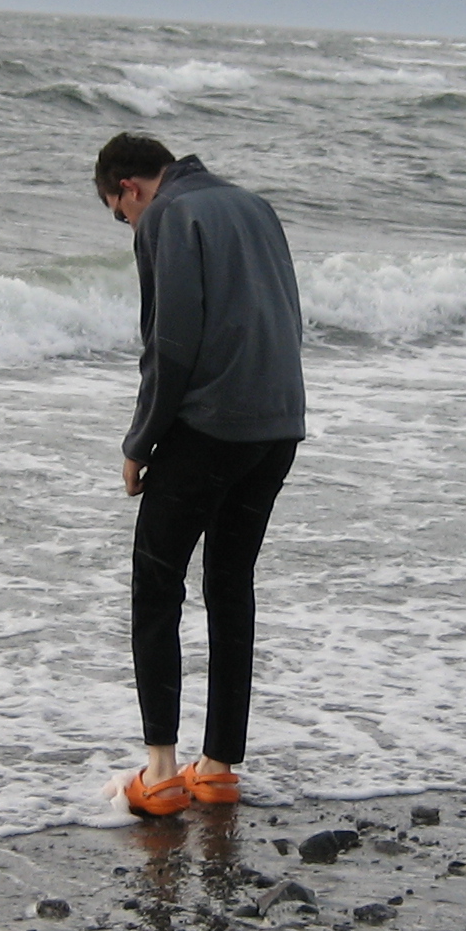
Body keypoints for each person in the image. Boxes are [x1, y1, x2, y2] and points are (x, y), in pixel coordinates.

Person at [92, 130, 307, 816]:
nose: (128, 223)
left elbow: (171, 342)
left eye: (119, 212)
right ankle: (216, 769)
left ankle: (159, 773)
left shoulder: (166, 215)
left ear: (129, 188)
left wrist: (140, 441)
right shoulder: (256, 206)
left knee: (156, 585)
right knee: (230, 585)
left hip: (209, 428)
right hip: (278, 424)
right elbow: (289, 317)